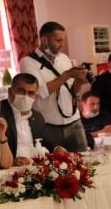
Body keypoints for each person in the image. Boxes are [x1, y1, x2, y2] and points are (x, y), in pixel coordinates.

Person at [19, 21, 89, 152]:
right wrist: (68, 75)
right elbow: (40, 92)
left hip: (74, 122)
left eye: (63, 40)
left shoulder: (64, 58)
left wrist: (79, 81)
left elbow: (72, 92)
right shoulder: (28, 62)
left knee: (84, 162)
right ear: (44, 40)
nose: (62, 45)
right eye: (58, 40)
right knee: (55, 164)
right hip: (49, 127)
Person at [0, 73, 47, 166]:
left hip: (33, 167)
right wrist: (11, 161)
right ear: (10, 92)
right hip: (7, 168)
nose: (25, 96)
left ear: (35, 96)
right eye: (21, 91)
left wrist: (57, 148)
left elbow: (44, 144)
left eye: (30, 93)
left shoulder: (38, 117)